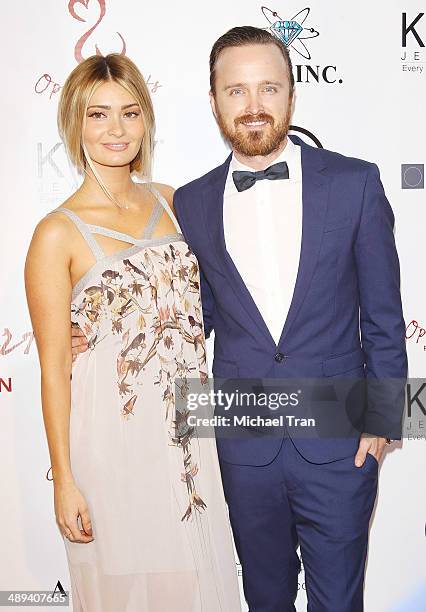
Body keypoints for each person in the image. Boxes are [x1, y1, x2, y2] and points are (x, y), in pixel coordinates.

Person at [71, 28, 408, 611]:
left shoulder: (355, 182)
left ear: (291, 95)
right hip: (237, 441)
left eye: (268, 89)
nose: (253, 106)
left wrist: (383, 424)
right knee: (262, 599)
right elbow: (186, 312)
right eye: (236, 91)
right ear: (213, 100)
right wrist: (104, 340)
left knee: (339, 601)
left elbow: (384, 316)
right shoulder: (191, 202)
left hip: (340, 443)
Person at [25, 53, 241, 612]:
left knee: (199, 584)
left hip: (193, 436)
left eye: (129, 112)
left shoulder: (173, 202)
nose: (116, 130)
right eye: (98, 115)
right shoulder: (55, 233)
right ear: (76, 124)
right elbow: (53, 369)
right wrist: (64, 480)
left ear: (147, 120)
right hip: (113, 441)